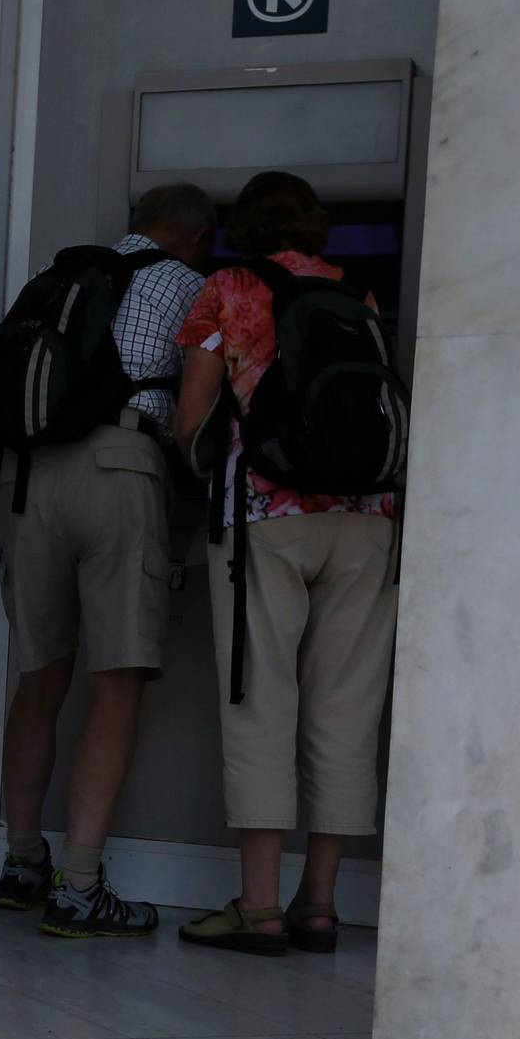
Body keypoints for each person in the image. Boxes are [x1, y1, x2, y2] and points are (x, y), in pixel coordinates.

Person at [170, 171, 397, 955]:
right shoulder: (359, 293)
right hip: (368, 518)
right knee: (346, 709)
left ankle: (259, 907)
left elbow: (193, 420)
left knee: (260, 698)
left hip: (265, 518)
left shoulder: (226, 287)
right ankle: (321, 906)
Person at [0, 182, 216, 934]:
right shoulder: (191, 283)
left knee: (39, 677)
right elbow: (200, 407)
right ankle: (80, 884)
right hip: (121, 467)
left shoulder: (57, 278)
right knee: (117, 681)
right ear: (194, 235)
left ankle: (22, 864)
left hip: (27, 477)